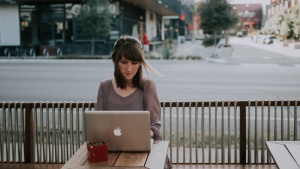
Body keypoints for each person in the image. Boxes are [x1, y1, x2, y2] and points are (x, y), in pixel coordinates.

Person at [95, 36, 172, 169]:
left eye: (134, 63)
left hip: (144, 155)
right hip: (112, 153)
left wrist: (139, 135)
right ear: (115, 61)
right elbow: (97, 124)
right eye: (124, 62)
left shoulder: (148, 86)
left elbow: (156, 128)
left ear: (140, 63)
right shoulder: (104, 87)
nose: (129, 69)